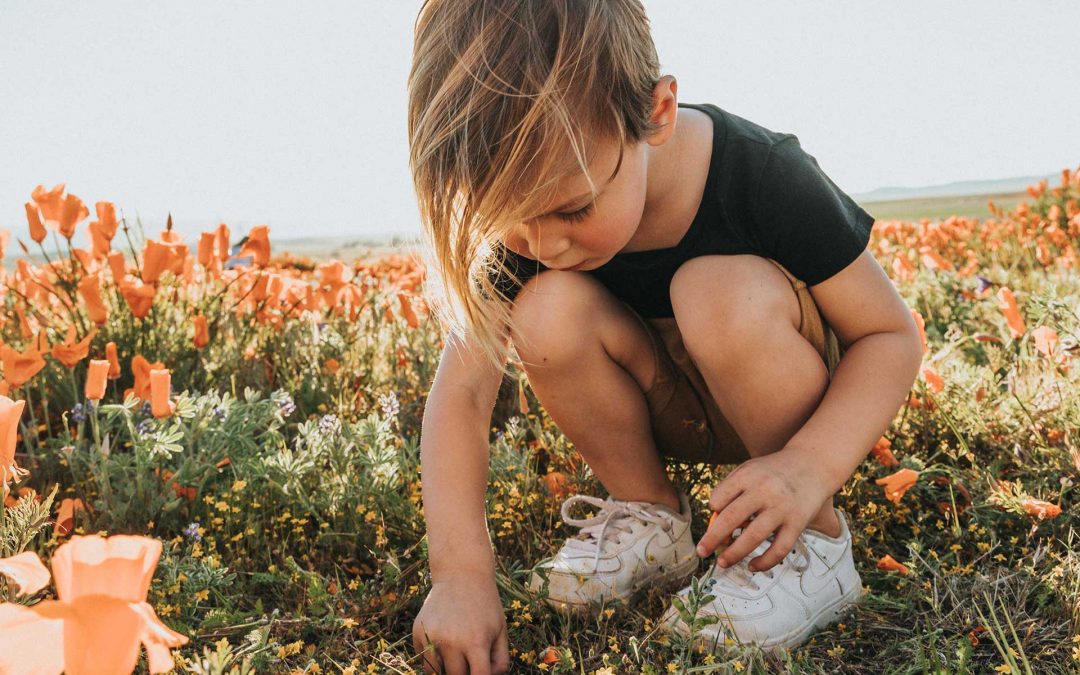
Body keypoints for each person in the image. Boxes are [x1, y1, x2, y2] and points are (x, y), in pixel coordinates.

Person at [406, 0, 924, 671]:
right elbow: (464, 397)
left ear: (656, 112)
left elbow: (889, 335)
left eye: (573, 209)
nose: (542, 243)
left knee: (713, 292)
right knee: (544, 309)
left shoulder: (761, 175)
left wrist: (808, 467)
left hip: (793, 419)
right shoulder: (532, 222)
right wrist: (459, 574)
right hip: (666, 407)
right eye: (511, 217)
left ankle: (812, 548)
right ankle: (650, 516)